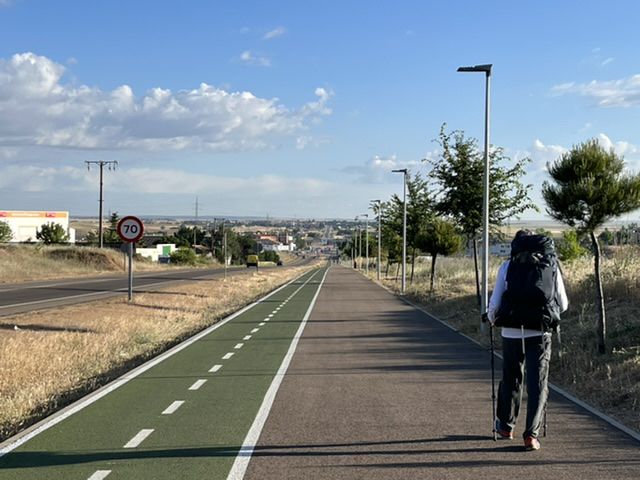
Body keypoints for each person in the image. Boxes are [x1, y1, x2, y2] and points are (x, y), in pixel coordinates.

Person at [487, 230, 568, 451]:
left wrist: (492, 318)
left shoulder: (508, 266)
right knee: (537, 383)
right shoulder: (550, 264)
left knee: (511, 379)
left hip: (511, 331)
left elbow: (495, 302)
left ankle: (505, 426)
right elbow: (564, 303)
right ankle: (530, 435)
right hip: (540, 333)